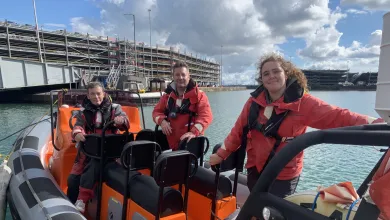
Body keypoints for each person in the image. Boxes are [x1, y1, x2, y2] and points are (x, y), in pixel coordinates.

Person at [208, 52, 384, 198]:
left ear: (286, 73)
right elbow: (237, 131)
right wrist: (221, 154)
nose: (271, 76)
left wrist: (376, 124)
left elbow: (338, 116)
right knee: (257, 205)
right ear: (261, 79)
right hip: (255, 168)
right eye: (266, 74)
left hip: (283, 174)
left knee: (275, 213)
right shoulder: (253, 103)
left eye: (276, 71)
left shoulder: (304, 103)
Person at [67, 81, 129, 213]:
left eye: (98, 93)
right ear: (88, 96)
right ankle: (70, 208)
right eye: (93, 94)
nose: (96, 97)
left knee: (95, 164)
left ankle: (82, 200)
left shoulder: (115, 108)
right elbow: (78, 125)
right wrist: (77, 133)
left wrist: (121, 121)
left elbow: (125, 121)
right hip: (87, 152)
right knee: (72, 179)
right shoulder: (83, 112)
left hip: (110, 153)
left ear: (104, 94)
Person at [152, 61, 213, 150]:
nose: (180, 77)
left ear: (188, 76)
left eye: (183, 75)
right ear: (173, 77)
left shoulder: (199, 96)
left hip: (191, 144)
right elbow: (156, 112)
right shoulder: (167, 96)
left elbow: (206, 116)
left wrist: (193, 132)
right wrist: (162, 121)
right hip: (171, 145)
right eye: (177, 75)